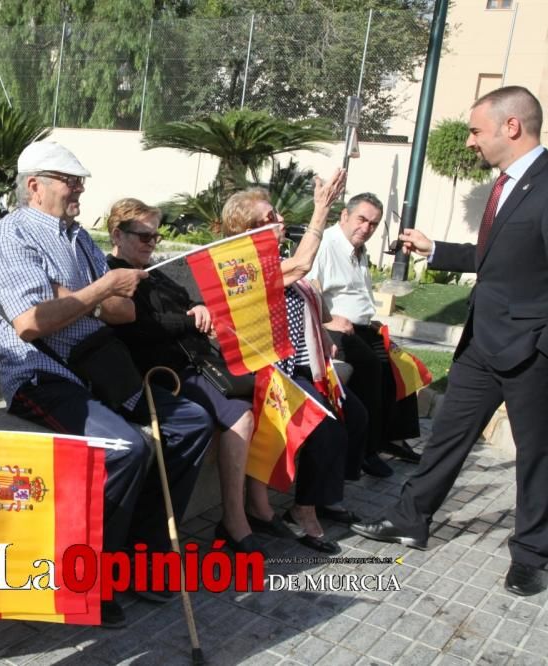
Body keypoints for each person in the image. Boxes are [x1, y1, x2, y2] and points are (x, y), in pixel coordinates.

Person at [0, 141, 214, 626]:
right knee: (125, 448)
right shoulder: (10, 237)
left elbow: (124, 312)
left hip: (101, 368)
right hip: (41, 376)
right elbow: (31, 323)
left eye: (80, 180)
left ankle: (141, 562)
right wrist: (99, 290)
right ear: (35, 186)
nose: (79, 188)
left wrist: (76, 296)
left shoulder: (79, 238)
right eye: (69, 180)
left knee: (192, 422)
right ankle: (88, 578)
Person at [352, 86, 548, 597]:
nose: (468, 142)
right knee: (445, 437)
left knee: (537, 456)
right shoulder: (508, 185)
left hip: (532, 352)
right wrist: (435, 248)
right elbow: (498, 260)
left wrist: (541, 341)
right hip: (482, 346)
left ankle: (531, 554)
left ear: (511, 127)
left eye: (476, 130)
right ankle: (409, 520)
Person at [219, 176, 369, 555]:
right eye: (271, 216)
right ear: (248, 228)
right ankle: (302, 510)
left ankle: (321, 499)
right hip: (260, 374)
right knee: (328, 429)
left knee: (355, 411)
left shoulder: (269, 259)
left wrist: (321, 339)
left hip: (292, 366)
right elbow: (302, 265)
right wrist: (322, 209)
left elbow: (301, 294)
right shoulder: (239, 266)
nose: (281, 219)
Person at [104, 198, 260, 554]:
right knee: (236, 417)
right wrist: (190, 320)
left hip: (193, 364)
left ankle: (250, 512)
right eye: (143, 237)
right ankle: (233, 521)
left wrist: (198, 308)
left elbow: (184, 300)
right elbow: (139, 327)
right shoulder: (114, 274)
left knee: (259, 400)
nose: (151, 244)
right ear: (118, 234)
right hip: (162, 373)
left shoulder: (153, 271)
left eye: (155, 237)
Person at [308, 193, 422, 479]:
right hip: (331, 329)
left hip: (360, 326)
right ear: (344, 216)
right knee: (371, 367)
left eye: (373, 223)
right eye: (362, 219)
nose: (366, 228)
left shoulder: (358, 249)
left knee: (400, 363)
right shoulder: (327, 244)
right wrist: (329, 320)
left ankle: (392, 439)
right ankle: (366, 452)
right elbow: (309, 288)